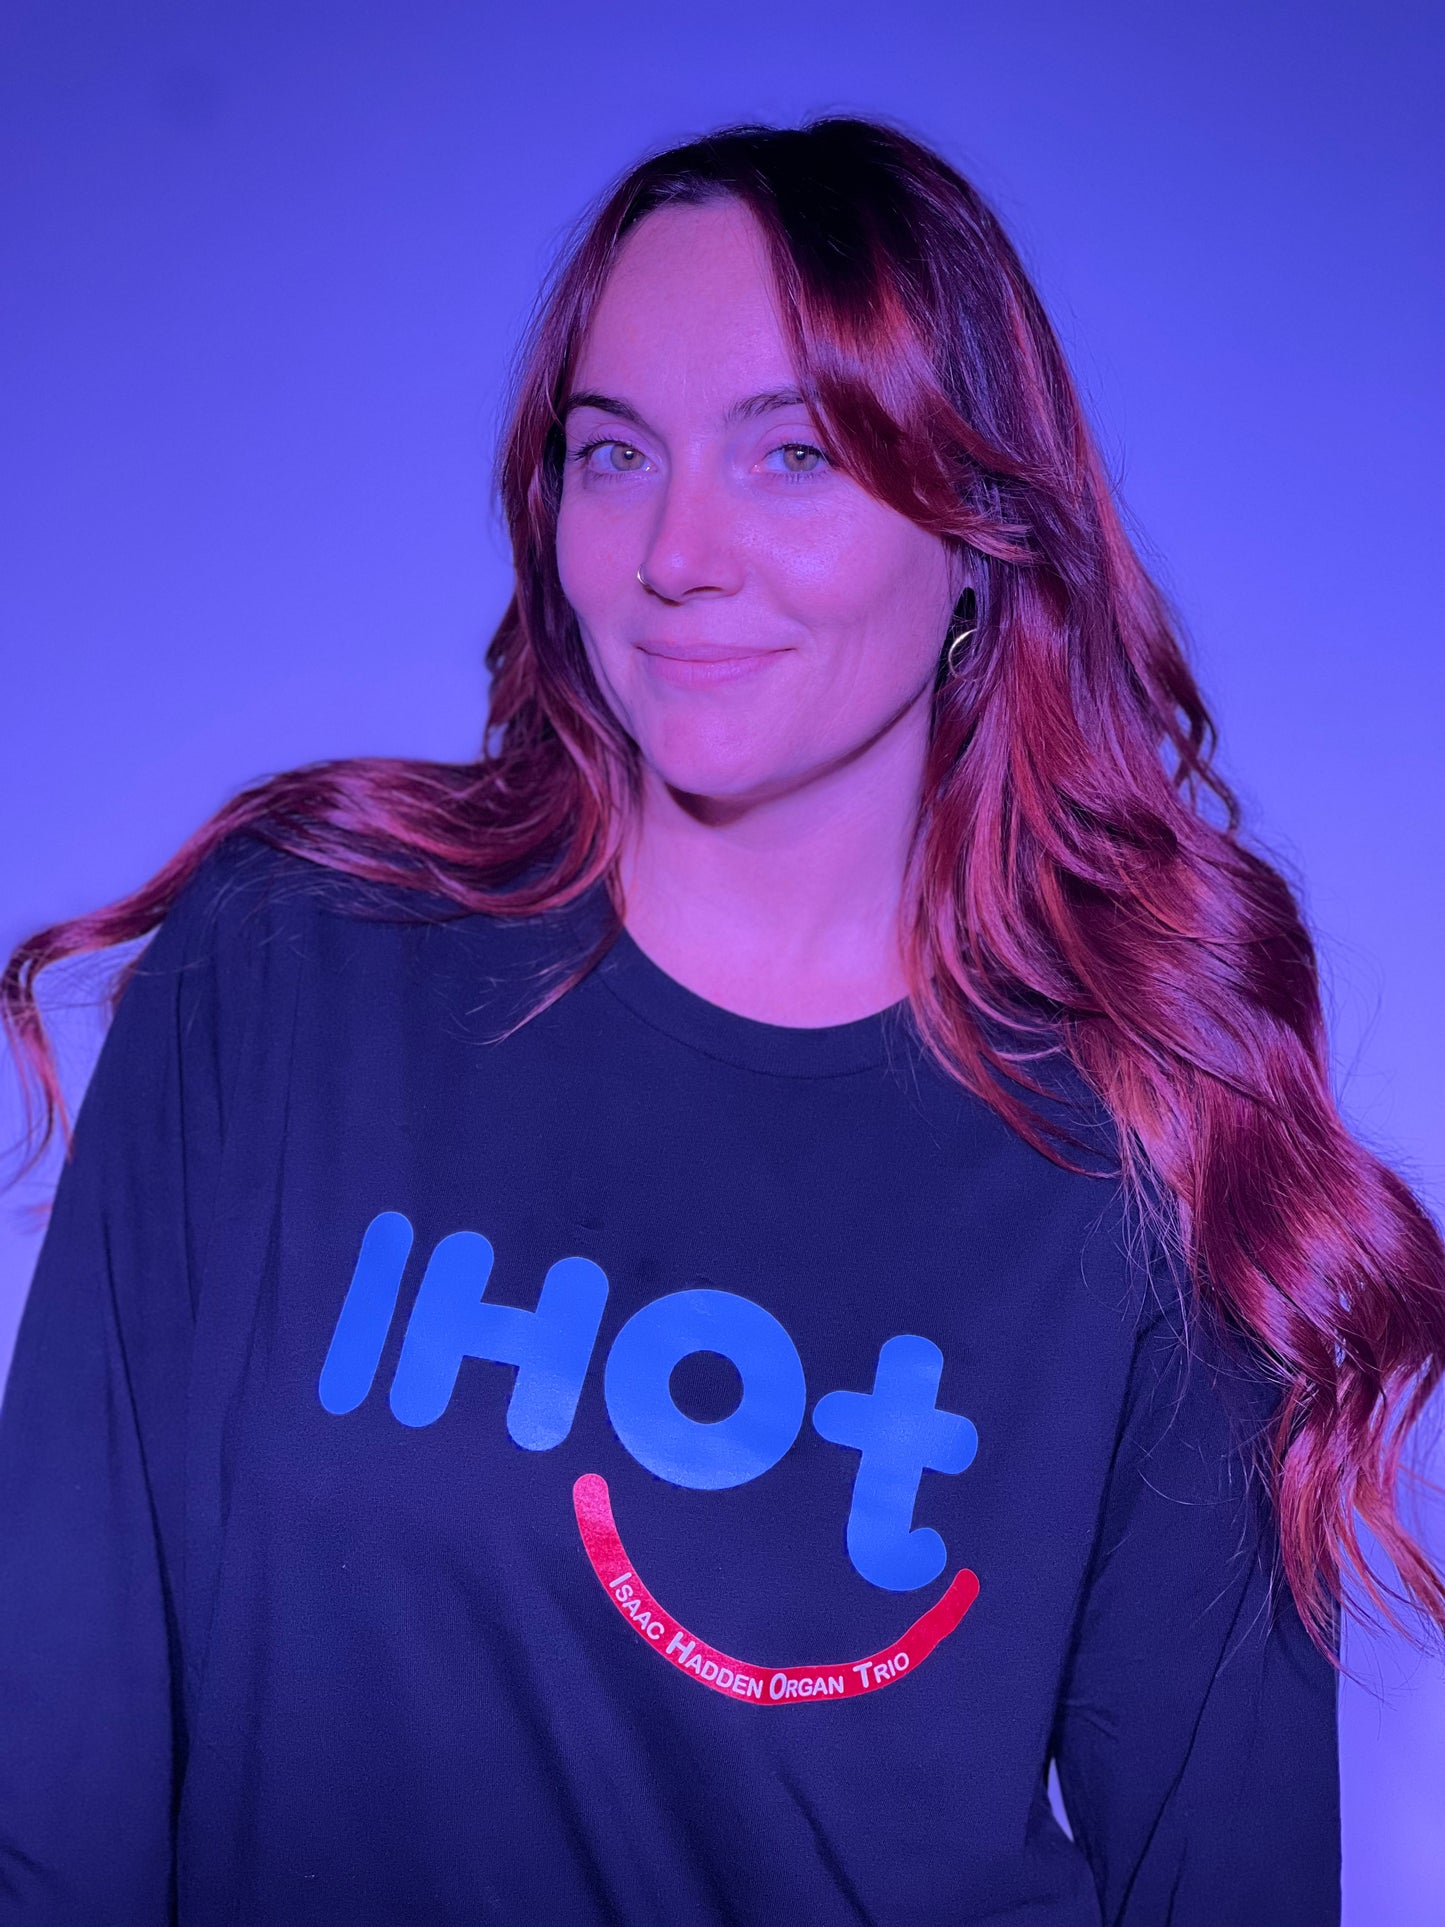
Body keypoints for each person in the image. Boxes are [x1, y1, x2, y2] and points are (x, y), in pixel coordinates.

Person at [1, 115, 1441, 1927]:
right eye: (614, 455)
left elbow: (1221, 1884)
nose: (678, 552)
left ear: (977, 529)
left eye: (793, 457)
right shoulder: (290, 962)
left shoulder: (1147, 1153)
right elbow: (49, 1767)